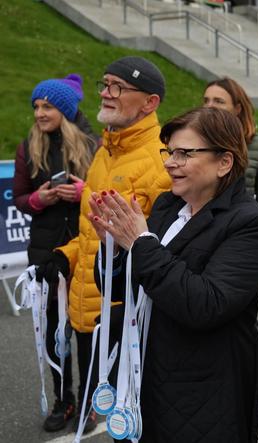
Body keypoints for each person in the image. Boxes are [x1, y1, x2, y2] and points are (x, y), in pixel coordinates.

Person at [89, 107, 258, 442]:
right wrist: (114, 248)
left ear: (224, 163)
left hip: (203, 394)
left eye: (184, 153)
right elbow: (123, 289)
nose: (170, 162)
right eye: (169, 152)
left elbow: (206, 304)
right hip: (145, 379)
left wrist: (140, 243)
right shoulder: (166, 206)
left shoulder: (249, 224)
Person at [36, 56, 171, 432]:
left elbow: (155, 251)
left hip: (125, 316)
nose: (106, 94)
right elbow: (94, 232)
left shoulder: (161, 163)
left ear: (150, 103)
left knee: (131, 419)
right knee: (109, 411)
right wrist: (66, 256)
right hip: (88, 300)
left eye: (118, 87)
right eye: (105, 84)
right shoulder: (104, 152)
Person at [14, 74, 96, 432]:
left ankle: (91, 403)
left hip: (84, 246)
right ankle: (64, 400)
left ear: (64, 109)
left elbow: (103, 193)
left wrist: (82, 193)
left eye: (47, 106)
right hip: (45, 250)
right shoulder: (26, 146)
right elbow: (20, 198)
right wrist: (39, 198)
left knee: (85, 329)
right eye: (36, 106)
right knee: (52, 330)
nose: (39, 113)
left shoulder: (92, 144)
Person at [203, 76, 258, 427]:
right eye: (206, 99)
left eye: (218, 101)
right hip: (202, 246)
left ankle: (252, 394)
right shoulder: (195, 141)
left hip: (245, 250)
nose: (209, 106)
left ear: (237, 107)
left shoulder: (257, 145)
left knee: (243, 326)